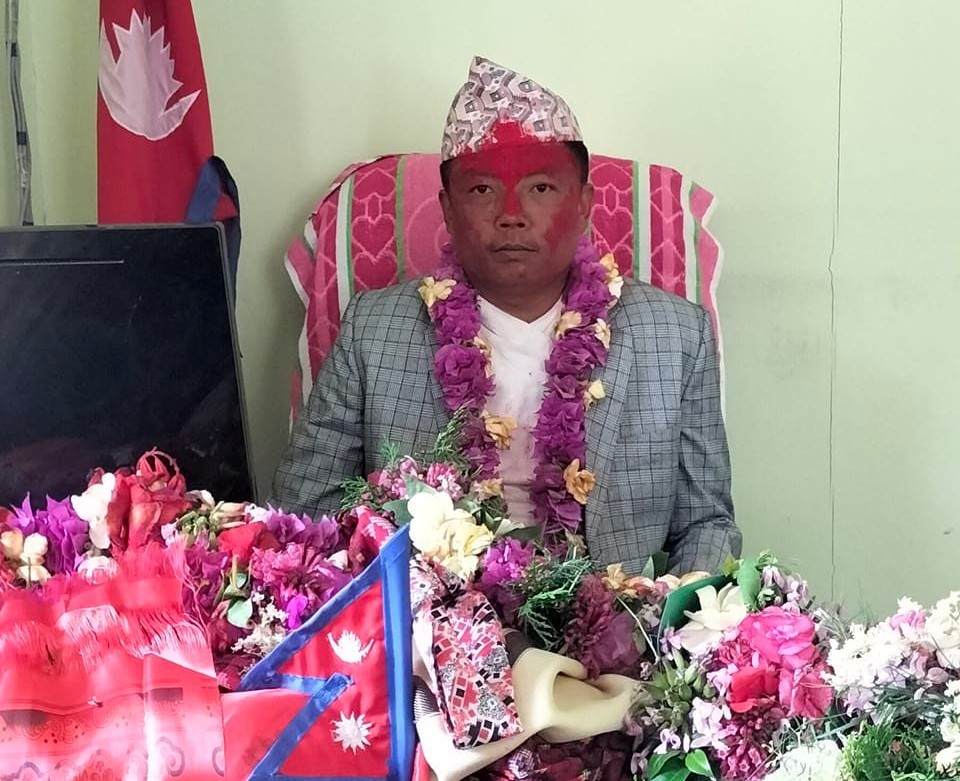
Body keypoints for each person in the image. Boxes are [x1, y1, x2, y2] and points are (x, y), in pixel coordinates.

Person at [270, 56, 740, 574]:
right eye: (482, 190)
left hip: (616, 611)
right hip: (429, 612)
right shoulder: (374, 330)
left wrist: (662, 614)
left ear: (584, 203)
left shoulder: (676, 335)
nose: (511, 215)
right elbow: (305, 509)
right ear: (448, 209)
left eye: (540, 188)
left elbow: (707, 524)